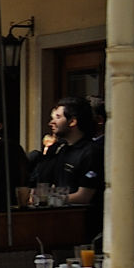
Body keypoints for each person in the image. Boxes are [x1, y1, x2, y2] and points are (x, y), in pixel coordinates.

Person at [32, 95, 104, 238]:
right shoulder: (61, 150)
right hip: (57, 224)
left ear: (72, 121)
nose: (51, 122)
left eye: (58, 117)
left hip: (83, 228)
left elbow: (84, 196)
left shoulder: (91, 152)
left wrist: (48, 198)